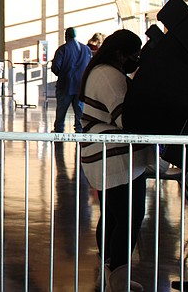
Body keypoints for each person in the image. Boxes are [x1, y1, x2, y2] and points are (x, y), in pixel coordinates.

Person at [79, 29, 147, 292]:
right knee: (130, 216)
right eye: (134, 53)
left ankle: (110, 273)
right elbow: (125, 118)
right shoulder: (109, 75)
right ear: (120, 53)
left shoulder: (99, 71)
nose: (137, 58)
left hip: (105, 156)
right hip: (116, 159)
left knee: (112, 217)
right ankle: (117, 278)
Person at [51, 27, 92, 133]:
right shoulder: (86, 49)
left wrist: (62, 74)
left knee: (61, 110)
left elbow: (56, 67)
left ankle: (59, 130)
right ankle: (79, 130)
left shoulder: (62, 49)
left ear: (66, 36)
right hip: (80, 86)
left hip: (65, 85)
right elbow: (90, 66)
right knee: (80, 111)